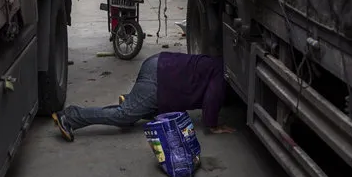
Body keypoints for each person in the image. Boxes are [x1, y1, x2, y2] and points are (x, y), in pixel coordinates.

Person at [51, 52, 235, 142]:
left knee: (169, 116)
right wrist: (213, 126)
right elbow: (212, 98)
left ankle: (132, 101)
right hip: (157, 77)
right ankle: (70, 117)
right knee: (123, 116)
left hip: (158, 65)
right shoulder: (222, 75)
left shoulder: (217, 64)